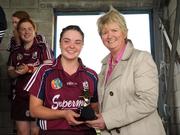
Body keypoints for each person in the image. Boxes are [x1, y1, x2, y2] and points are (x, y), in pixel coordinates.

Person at [86, 7, 166, 135]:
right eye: (104, 32)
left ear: (124, 32)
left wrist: (108, 119)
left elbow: (147, 101)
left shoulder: (141, 58)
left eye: (114, 30)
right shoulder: (104, 66)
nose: (109, 35)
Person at [24, 25, 99, 135]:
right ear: (60, 43)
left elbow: (95, 109)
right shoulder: (44, 71)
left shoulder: (91, 75)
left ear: (82, 45)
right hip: (51, 132)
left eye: (77, 42)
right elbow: (34, 110)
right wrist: (64, 113)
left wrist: (89, 116)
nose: (72, 46)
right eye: (66, 41)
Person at [7, 18, 54, 135]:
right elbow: (10, 73)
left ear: (35, 30)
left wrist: (29, 69)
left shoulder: (42, 47)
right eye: (23, 29)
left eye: (29, 29)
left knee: (35, 132)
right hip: (19, 98)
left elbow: (49, 70)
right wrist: (17, 72)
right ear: (18, 32)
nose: (26, 32)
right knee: (22, 132)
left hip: (38, 97)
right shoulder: (15, 51)